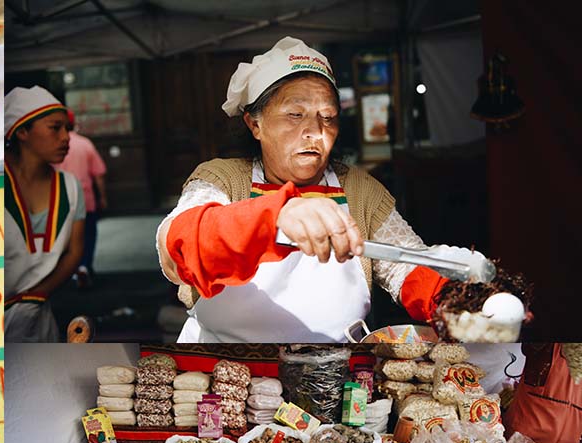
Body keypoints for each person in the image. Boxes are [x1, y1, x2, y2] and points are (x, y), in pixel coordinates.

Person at [155, 37, 520, 342]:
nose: (315, 131)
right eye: (294, 115)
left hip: (336, 368)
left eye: (328, 117)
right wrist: (277, 215)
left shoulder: (358, 189)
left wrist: (454, 304)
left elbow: (406, 265)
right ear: (255, 123)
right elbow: (181, 243)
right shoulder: (221, 179)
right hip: (223, 362)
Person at [4, 86, 86, 342]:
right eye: (55, 128)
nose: (66, 137)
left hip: (38, 315)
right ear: (22, 132)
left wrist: (39, 293)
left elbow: (75, 251)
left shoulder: (71, 186)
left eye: (67, 129)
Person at [56, 111, 108, 287]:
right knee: (88, 234)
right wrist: (103, 197)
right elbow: (99, 174)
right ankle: (84, 266)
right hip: (86, 200)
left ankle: (70, 270)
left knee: (67, 238)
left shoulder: (53, 145)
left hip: (61, 201)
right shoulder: (85, 144)